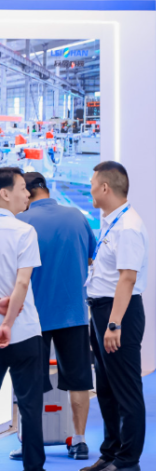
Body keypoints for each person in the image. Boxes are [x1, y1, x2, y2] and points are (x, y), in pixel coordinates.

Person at [12, 173, 95, 462]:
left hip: (33, 317)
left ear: (28, 192)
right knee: (79, 380)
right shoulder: (77, 216)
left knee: (30, 384)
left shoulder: (21, 222)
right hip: (74, 313)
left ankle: (30, 444)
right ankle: (80, 441)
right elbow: (90, 257)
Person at [83, 161, 150, 471]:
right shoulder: (111, 221)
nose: (90, 189)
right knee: (107, 389)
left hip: (118, 313)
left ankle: (127, 461)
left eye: (92, 184)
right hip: (102, 310)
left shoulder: (128, 226)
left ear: (105, 187)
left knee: (126, 390)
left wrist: (114, 323)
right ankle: (110, 452)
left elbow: (127, 278)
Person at [0, 167, 45, 471]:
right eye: (21, 188)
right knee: (30, 407)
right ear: (4, 194)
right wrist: (7, 323)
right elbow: (22, 282)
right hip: (25, 330)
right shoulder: (24, 231)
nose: (28, 193)